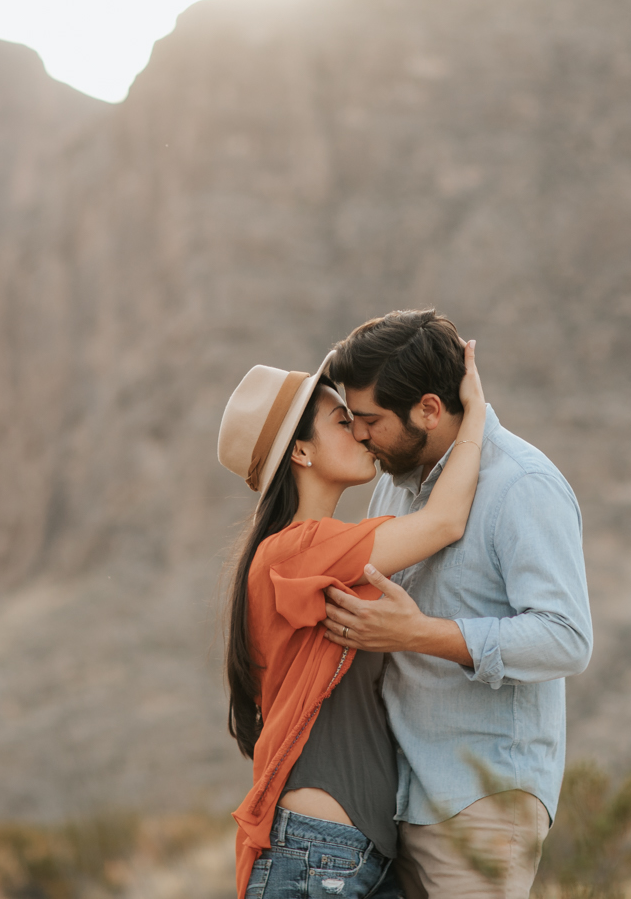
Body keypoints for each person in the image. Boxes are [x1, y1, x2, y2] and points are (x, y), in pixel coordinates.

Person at [321, 310, 592, 899]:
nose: (359, 434)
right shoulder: (393, 482)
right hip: (398, 800)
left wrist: (419, 633)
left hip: (482, 802)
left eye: (369, 419)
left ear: (429, 409)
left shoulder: (522, 485)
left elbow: (566, 638)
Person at [219, 341, 488, 899]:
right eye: (343, 421)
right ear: (302, 453)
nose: (362, 432)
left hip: (347, 851)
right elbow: (443, 522)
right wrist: (475, 414)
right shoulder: (297, 548)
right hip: (319, 853)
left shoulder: (321, 549)